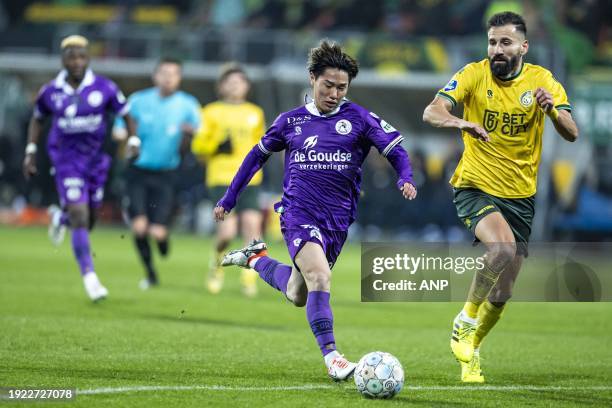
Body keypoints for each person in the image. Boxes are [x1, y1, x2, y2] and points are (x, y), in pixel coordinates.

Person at [216, 40, 417, 380]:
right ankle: (333, 357)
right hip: (298, 214)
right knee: (320, 276)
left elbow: (396, 150)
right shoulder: (290, 121)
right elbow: (255, 157)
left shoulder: (360, 118)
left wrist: (406, 177)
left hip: (337, 221)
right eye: (329, 85)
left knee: (298, 293)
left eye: (342, 87)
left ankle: (254, 258)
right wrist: (230, 198)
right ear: (312, 78)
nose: (335, 93)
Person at [423, 11, 579, 383]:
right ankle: (464, 320)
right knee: (502, 250)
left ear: (523, 46)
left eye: (505, 42)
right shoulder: (473, 74)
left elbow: (572, 132)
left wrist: (552, 111)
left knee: (505, 289)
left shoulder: (542, 81)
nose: (496, 48)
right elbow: (433, 110)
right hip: (475, 185)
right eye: (492, 42)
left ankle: (471, 350)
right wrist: (460, 121)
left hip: (521, 195)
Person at [22, 35, 137, 302]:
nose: (77, 61)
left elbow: (127, 114)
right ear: (62, 59)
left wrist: (133, 139)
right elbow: (37, 120)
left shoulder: (104, 87)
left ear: (88, 58)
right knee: (80, 215)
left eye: (81, 56)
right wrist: (30, 151)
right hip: (66, 162)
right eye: (71, 56)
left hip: (97, 162)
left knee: (89, 219)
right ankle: (91, 278)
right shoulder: (50, 91)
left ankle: (59, 219)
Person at [114, 58, 200, 289]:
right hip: (137, 172)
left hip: (167, 173)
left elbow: (202, 134)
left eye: (173, 74)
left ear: (179, 78)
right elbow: (119, 128)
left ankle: (162, 240)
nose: (168, 78)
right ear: (155, 76)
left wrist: (192, 134)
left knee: (157, 232)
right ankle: (150, 274)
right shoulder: (138, 100)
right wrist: (123, 136)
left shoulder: (188, 105)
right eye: (164, 73)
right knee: (139, 227)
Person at [192, 64, 266, 297]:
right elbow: (198, 145)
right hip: (221, 178)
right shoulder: (211, 111)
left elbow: (263, 145)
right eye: (231, 82)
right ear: (222, 86)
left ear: (247, 87)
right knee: (226, 233)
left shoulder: (255, 112)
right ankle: (216, 265)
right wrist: (216, 146)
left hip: (250, 180)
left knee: (252, 228)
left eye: (240, 82)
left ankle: (248, 277)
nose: (235, 86)